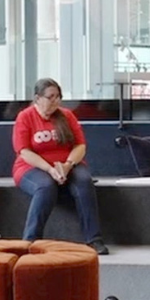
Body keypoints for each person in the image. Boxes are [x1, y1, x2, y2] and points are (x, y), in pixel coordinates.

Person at [12, 78, 108, 255]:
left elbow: (80, 146)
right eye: (51, 97)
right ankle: (30, 241)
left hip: (66, 164)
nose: (56, 101)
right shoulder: (25, 117)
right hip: (32, 167)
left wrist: (68, 165)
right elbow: (24, 151)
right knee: (45, 186)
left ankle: (94, 239)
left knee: (84, 181)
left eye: (58, 97)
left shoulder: (67, 116)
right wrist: (50, 169)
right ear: (37, 99)